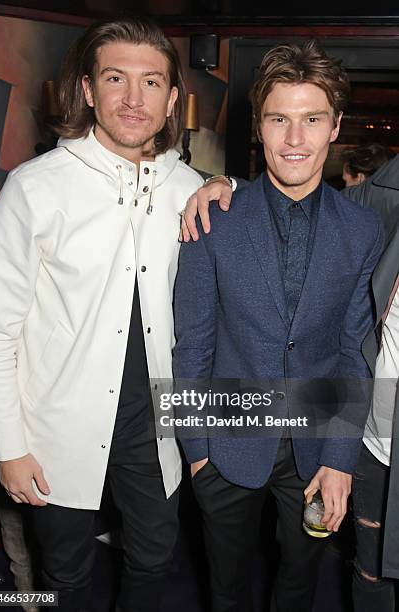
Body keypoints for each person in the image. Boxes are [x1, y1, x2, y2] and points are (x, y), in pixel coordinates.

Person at [0, 17, 204, 612]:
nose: (134, 100)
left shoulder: (191, 187)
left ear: (171, 100)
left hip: (151, 425)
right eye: (116, 78)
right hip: (55, 425)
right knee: (64, 574)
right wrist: (8, 445)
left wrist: (228, 185)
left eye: (152, 82)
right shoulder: (34, 188)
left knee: (156, 556)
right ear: (88, 89)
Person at [172, 39, 384, 612]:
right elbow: (192, 345)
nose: (295, 139)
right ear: (258, 128)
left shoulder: (362, 232)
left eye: (311, 119)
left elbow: (353, 354)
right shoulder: (213, 217)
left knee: (299, 585)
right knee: (226, 590)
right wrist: (197, 451)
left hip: (315, 451)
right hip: (225, 446)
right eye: (279, 119)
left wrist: (340, 458)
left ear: (335, 126)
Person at [344, 157, 399, 611]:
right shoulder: (387, 194)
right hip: (375, 447)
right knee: (371, 574)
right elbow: (298, 197)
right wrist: (222, 183)